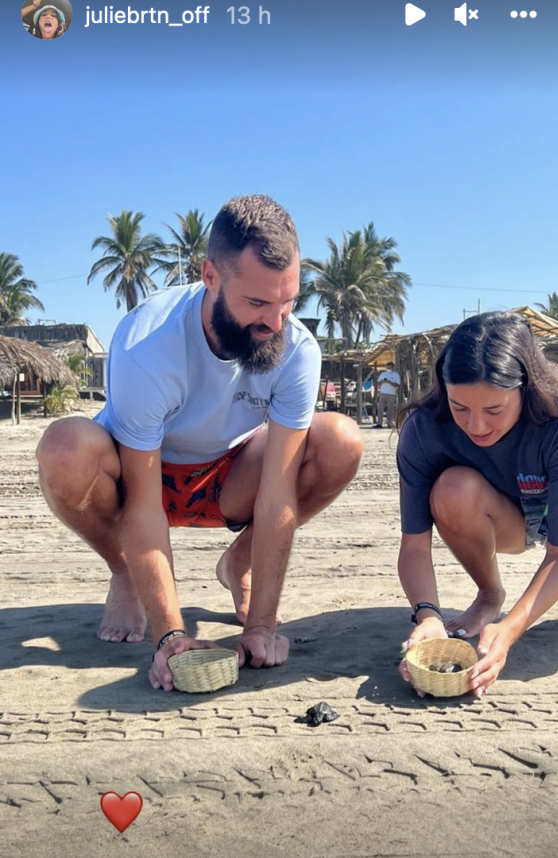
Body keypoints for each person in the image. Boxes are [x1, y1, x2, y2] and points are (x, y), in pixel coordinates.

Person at [36, 195, 364, 691]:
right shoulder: (148, 343)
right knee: (64, 449)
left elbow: (277, 494)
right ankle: (124, 570)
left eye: (287, 301)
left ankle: (238, 560)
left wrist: (261, 626)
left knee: (340, 439)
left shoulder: (295, 348)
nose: (275, 323)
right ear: (210, 276)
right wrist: (170, 634)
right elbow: (143, 506)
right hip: (138, 474)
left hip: (228, 476)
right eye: (256, 303)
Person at [396, 311, 558, 698]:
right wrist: (427, 616)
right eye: (460, 407)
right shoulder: (424, 429)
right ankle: (489, 595)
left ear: (527, 388)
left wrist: (510, 630)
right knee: (453, 488)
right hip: (512, 515)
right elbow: (413, 546)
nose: (476, 426)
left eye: (494, 410)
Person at [374, 361, 400, 428]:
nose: (388, 368)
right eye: (387, 367)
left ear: (392, 367)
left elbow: (397, 385)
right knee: (380, 408)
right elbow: (378, 383)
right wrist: (383, 381)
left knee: (390, 409)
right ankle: (379, 423)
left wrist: (389, 382)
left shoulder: (396, 375)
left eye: (390, 367)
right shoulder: (383, 374)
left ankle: (389, 423)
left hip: (391, 394)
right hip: (383, 393)